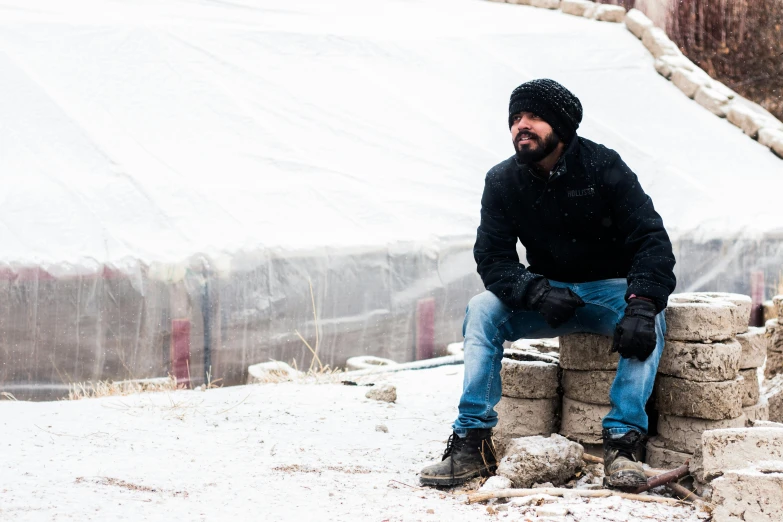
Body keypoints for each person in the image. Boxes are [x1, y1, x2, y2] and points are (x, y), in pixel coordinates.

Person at [419, 79, 676, 488]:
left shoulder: (603, 166)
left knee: (651, 318)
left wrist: (642, 303)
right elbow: (493, 259)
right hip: (547, 296)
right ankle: (473, 442)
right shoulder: (502, 180)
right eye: (515, 118)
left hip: (607, 292)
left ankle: (622, 445)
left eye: (534, 117)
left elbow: (651, 240)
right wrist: (535, 291)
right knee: (482, 308)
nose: (522, 125)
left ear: (560, 125)